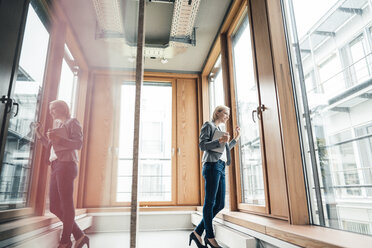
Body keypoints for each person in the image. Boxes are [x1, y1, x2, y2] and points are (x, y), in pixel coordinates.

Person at [35, 100, 89, 248]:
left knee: (66, 204)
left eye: (54, 108)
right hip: (56, 166)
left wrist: (59, 139)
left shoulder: (73, 122)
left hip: (67, 166)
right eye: (50, 109)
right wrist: (39, 134)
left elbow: (78, 144)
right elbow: (52, 147)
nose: (51, 111)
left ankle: (65, 241)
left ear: (63, 109)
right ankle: (79, 235)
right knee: (54, 207)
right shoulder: (58, 126)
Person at [189, 105, 240, 248]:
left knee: (220, 204)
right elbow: (202, 145)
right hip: (211, 166)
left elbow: (223, 149)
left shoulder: (219, 130)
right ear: (218, 113)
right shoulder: (208, 125)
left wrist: (235, 139)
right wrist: (219, 141)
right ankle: (210, 237)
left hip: (221, 166)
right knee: (210, 202)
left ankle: (197, 232)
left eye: (229, 114)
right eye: (226, 113)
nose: (228, 117)